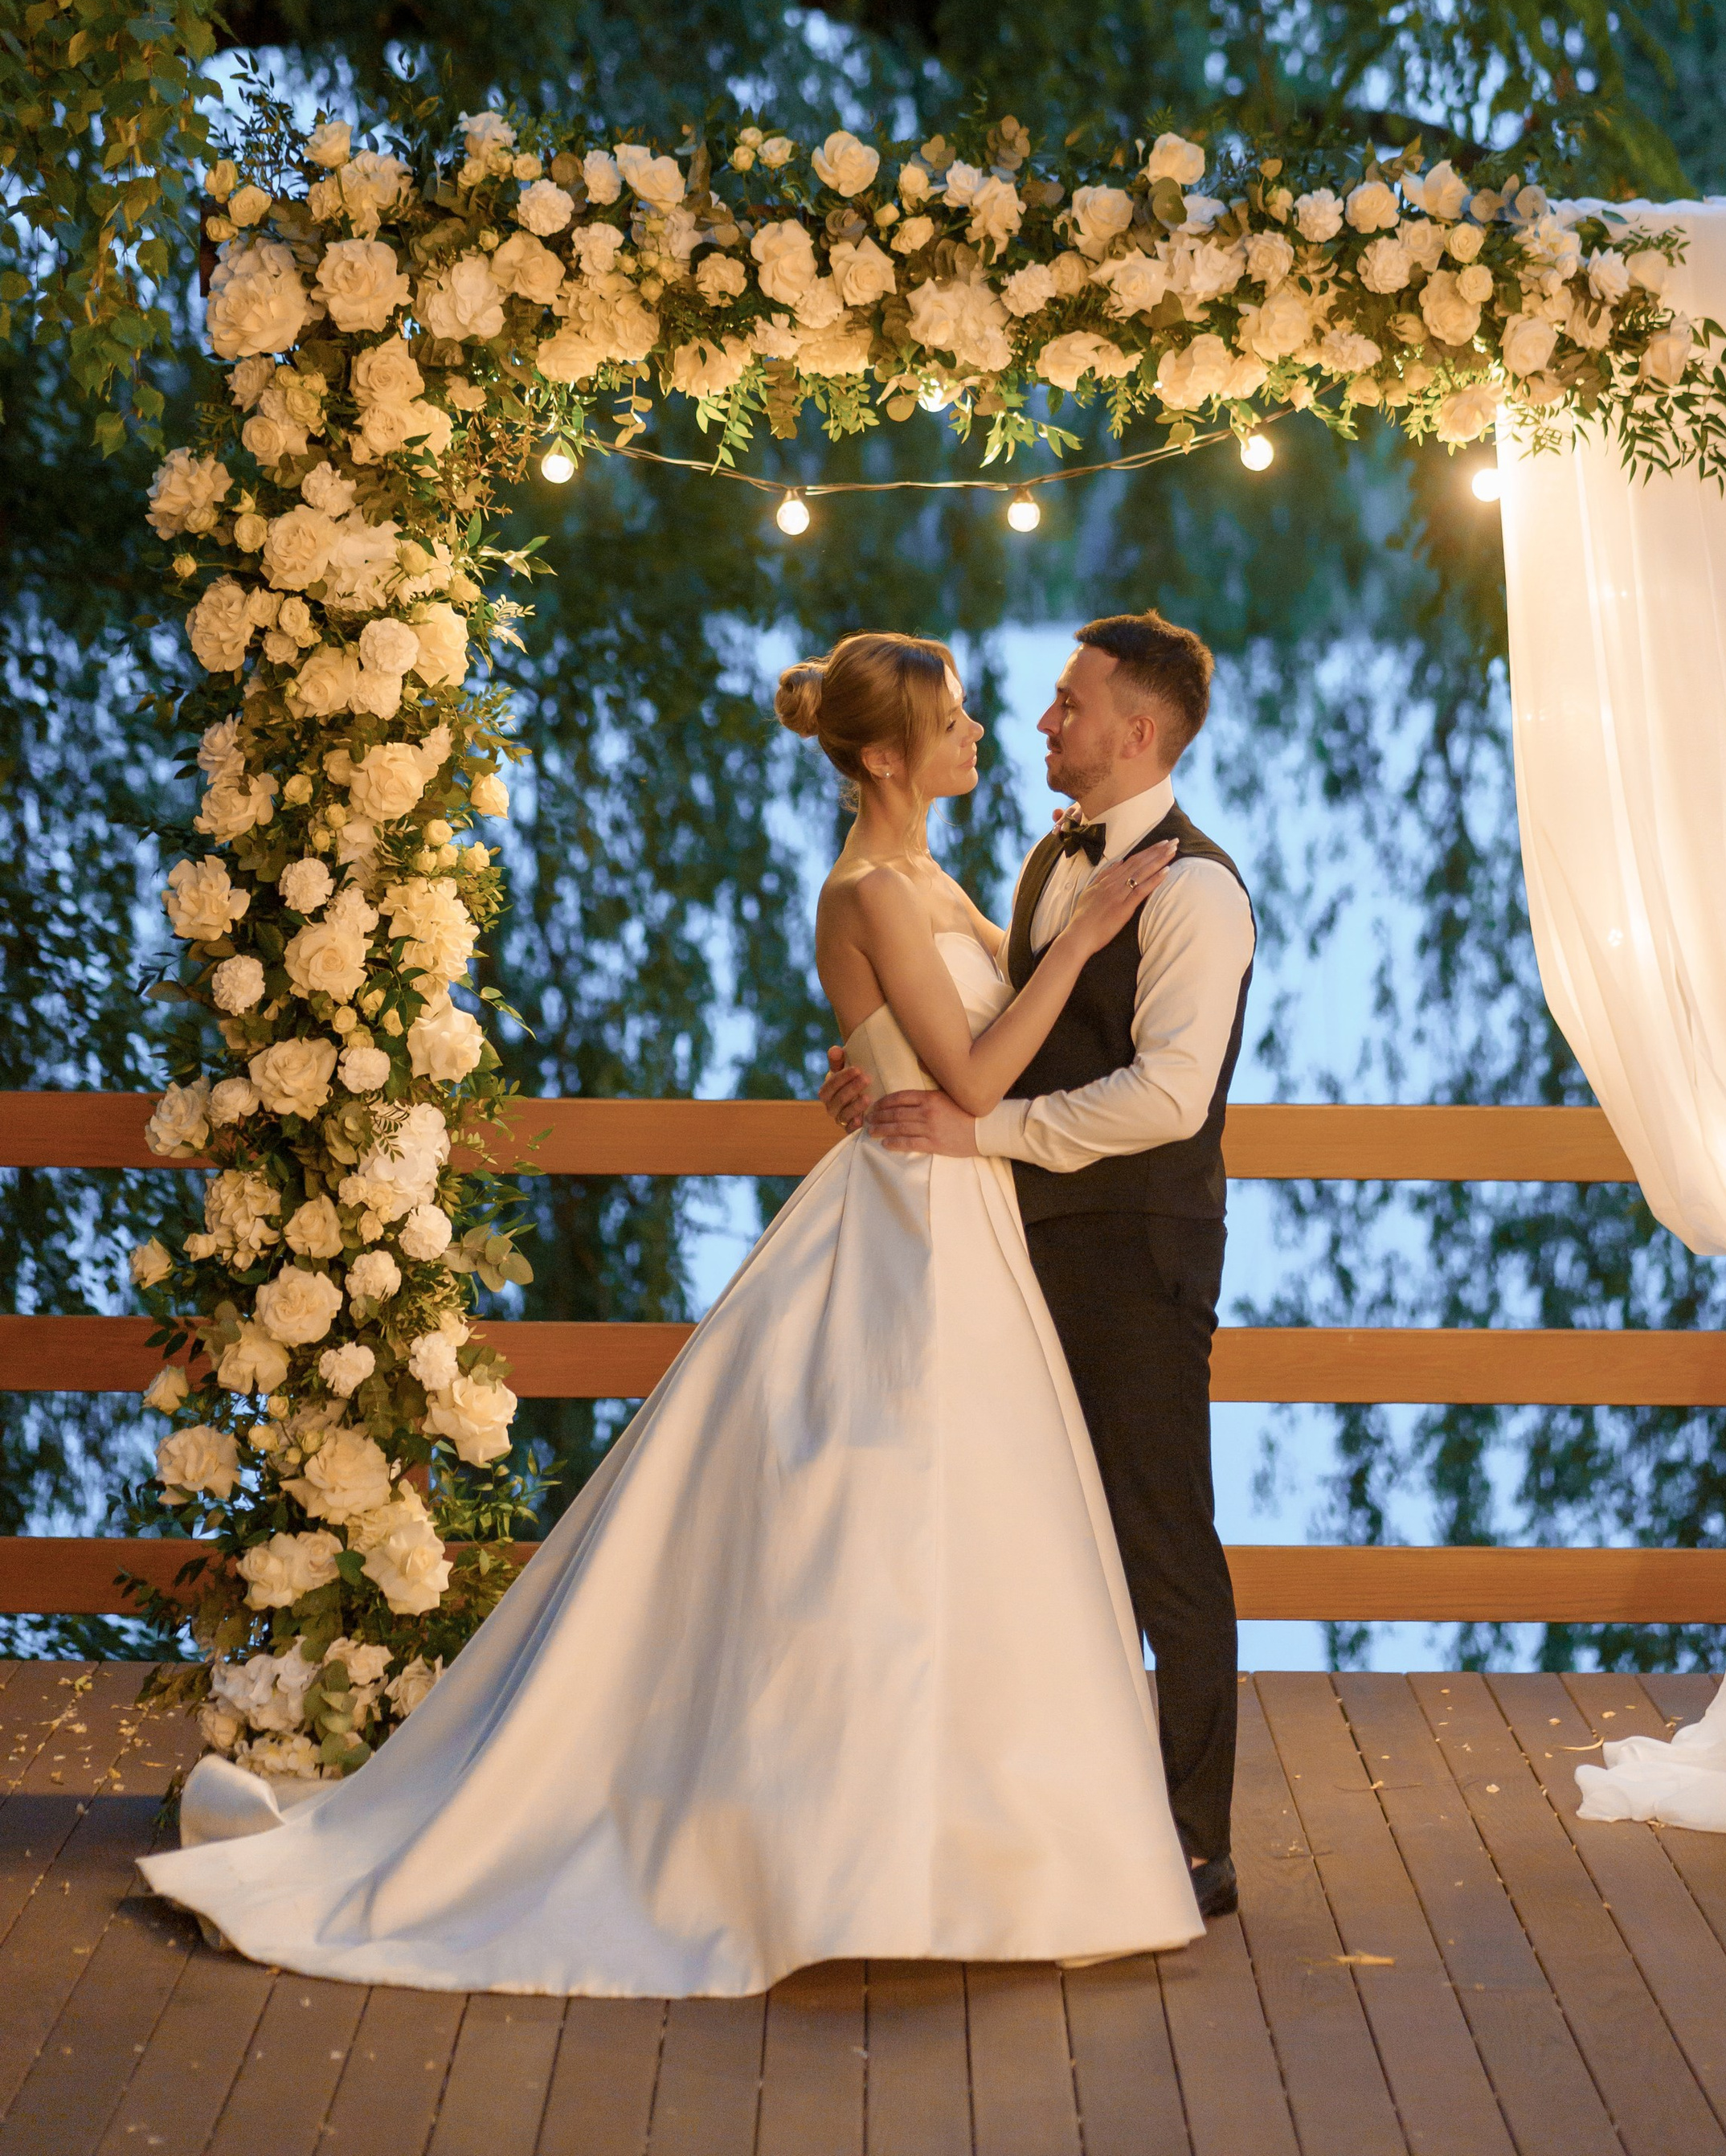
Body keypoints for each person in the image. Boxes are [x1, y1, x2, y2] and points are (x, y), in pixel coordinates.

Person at [139, 632, 1204, 1995]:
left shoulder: (931, 872)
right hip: (913, 1226)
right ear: (888, 755)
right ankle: (829, 1853)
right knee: (872, 1524)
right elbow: (985, 1077)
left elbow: (966, 1047)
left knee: (952, 1526)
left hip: (950, 1210)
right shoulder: (875, 886)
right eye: (955, 717)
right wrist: (1094, 935)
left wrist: (961, 1010)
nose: (984, 730)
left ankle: (956, 1847)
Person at [820, 610, 1254, 1920]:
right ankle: (1049, 1801)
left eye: (1071, 704)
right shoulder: (1037, 865)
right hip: (1007, 1246)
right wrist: (881, 1064)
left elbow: (1167, 1100)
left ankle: (1191, 1843)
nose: (1040, 721)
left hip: (1135, 1251)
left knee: (1161, 1539)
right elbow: (995, 1021)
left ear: (1137, 731)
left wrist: (977, 1125)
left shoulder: (1198, 890)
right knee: (1034, 1530)